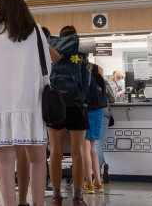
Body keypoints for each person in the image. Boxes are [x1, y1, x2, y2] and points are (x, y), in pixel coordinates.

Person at [0, 0, 52, 206]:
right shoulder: (37, 31)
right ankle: (38, 203)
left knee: (4, 160)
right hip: (33, 103)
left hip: (0, 104)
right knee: (38, 160)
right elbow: (47, 66)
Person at [46, 26, 90, 206]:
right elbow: (86, 83)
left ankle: (56, 196)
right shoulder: (79, 56)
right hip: (77, 106)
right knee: (78, 152)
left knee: (55, 152)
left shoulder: (51, 53)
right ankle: (78, 197)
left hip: (55, 105)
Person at [83, 62, 111, 193]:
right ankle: (98, 182)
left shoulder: (83, 76)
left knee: (85, 149)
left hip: (86, 111)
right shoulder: (99, 79)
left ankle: (89, 183)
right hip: (98, 112)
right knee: (92, 148)